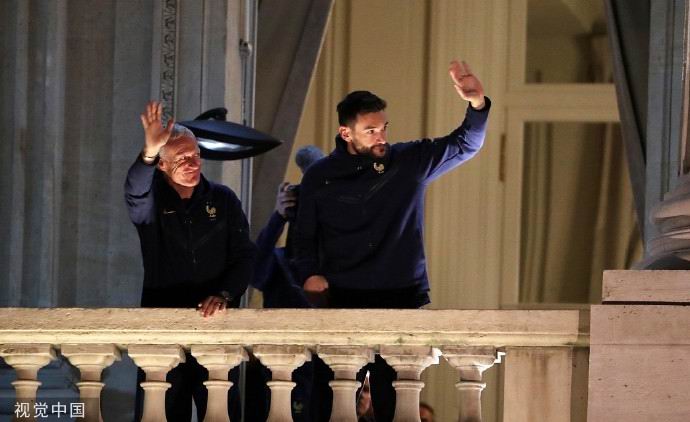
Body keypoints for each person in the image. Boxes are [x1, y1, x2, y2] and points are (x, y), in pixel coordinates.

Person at [295, 60, 490, 421]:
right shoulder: (320, 176)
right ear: (346, 133)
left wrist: (477, 104)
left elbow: (465, 144)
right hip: (342, 299)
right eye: (370, 130)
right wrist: (308, 275)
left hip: (401, 297)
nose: (381, 137)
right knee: (328, 404)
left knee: (397, 407)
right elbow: (302, 239)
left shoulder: (407, 160)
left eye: (383, 128)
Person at [125, 101, 256, 421]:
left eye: (196, 155)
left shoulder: (223, 199)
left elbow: (244, 256)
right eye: (183, 158)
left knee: (222, 411)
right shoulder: (151, 201)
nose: (193, 163)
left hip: (216, 327)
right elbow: (135, 190)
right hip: (162, 327)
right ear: (162, 165)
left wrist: (224, 294)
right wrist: (148, 152)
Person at [246, 145, 324, 421]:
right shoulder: (279, 262)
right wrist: (278, 217)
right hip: (279, 365)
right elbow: (254, 273)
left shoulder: (334, 265)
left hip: (323, 367)